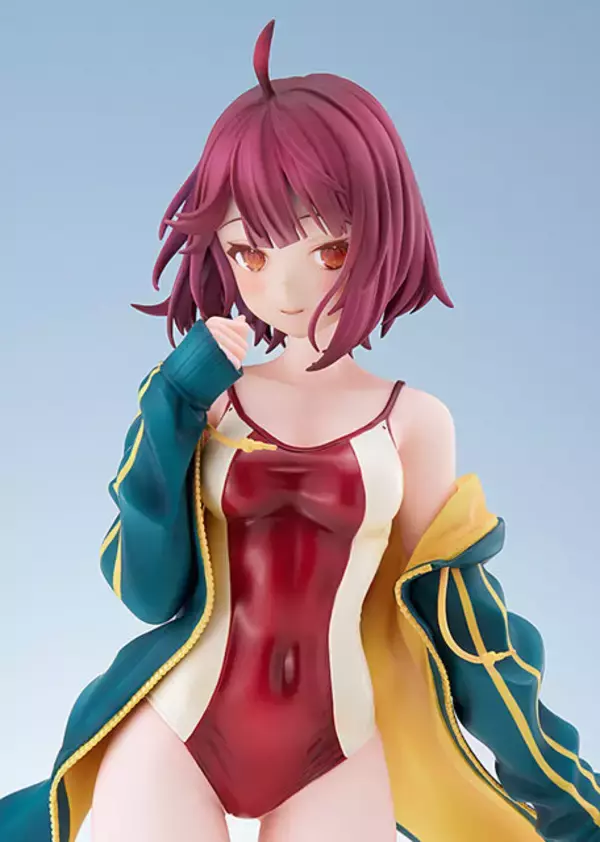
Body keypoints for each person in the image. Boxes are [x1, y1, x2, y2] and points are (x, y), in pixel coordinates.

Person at [1, 19, 599, 842]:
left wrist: (562, 793)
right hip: (178, 732)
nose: (284, 288)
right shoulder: (207, 402)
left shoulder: (415, 423)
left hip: (337, 746)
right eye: (249, 254)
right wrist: (173, 400)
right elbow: (147, 590)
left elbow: (466, 628)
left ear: (383, 232)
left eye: (329, 250)